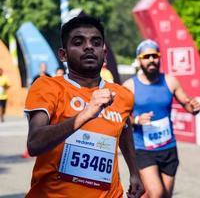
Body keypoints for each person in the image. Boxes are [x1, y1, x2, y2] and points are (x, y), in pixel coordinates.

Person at [24, 16, 144, 198]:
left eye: (96, 42)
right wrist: (86, 113)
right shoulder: (48, 87)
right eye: (78, 42)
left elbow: (124, 129)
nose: (89, 47)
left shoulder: (123, 95)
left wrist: (135, 172)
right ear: (63, 54)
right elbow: (34, 143)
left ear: (103, 52)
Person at [123, 39, 200, 198]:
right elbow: (121, 118)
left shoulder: (170, 80)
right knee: (156, 193)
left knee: (164, 195)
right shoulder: (130, 86)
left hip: (168, 148)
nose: (151, 60)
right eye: (146, 56)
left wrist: (194, 106)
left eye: (154, 55)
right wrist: (136, 120)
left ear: (159, 57)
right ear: (139, 60)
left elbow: (188, 105)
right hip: (143, 149)